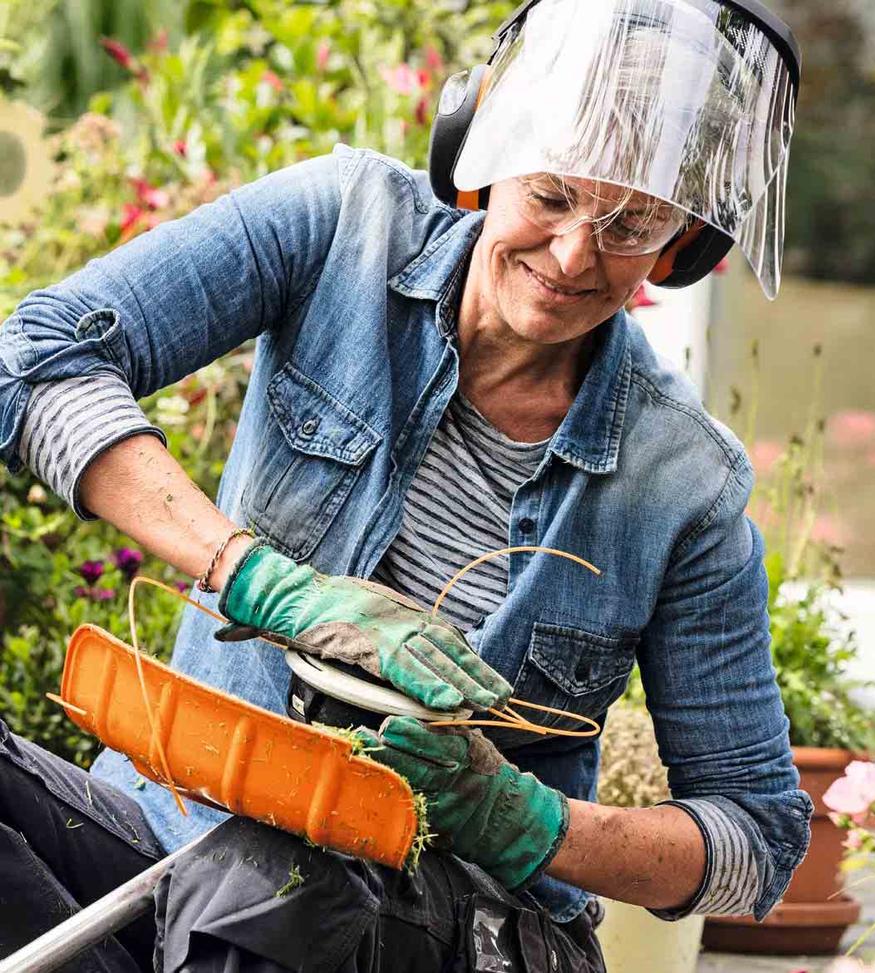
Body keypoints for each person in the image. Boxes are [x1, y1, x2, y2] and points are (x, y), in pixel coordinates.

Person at [0, 0, 812, 970]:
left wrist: (523, 818)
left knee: (271, 881)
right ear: (481, 153)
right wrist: (257, 578)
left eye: (630, 225)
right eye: (549, 196)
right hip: (172, 835)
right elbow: (32, 357)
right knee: (234, 879)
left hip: (454, 923)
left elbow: (757, 841)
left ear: (685, 243)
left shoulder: (685, 483)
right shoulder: (344, 224)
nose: (571, 257)